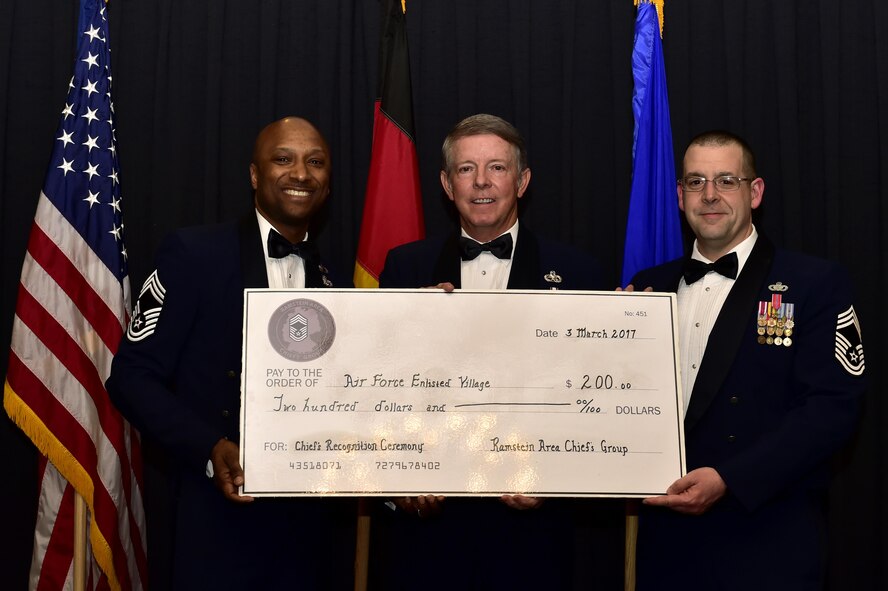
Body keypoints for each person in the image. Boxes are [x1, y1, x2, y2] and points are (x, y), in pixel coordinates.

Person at [373, 114, 621, 590]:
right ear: (447, 184)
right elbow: (378, 391)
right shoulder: (406, 268)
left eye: (497, 168)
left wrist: (553, 480)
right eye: (466, 169)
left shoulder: (579, 272)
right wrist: (397, 480)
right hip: (430, 537)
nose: (481, 182)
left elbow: (596, 406)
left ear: (522, 182)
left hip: (531, 541)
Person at [107, 117, 355, 590]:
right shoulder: (194, 254)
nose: (300, 173)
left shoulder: (336, 281)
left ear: (328, 184)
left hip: (310, 538)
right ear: (255, 175)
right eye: (283, 159)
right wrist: (209, 446)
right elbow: (132, 377)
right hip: (216, 525)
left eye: (316, 162)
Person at [630, 130, 866, 590]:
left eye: (726, 181)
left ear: (754, 192)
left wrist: (730, 479)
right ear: (679, 196)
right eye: (696, 182)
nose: (709, 195)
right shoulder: (647, 286)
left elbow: (834, 408)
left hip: (767, 538)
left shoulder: (814, 283)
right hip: (667, 545)